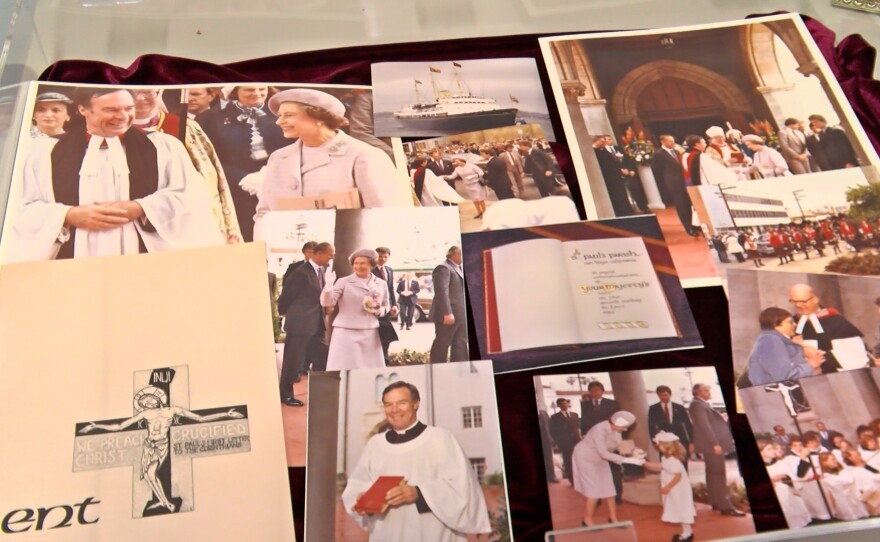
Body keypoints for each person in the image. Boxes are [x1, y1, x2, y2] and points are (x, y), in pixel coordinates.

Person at [5, 88, 223, 263]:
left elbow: (192, 197)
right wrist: (67, 215)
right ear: (83, 110)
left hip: (145, 261)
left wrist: (142, 208)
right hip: (71, 259)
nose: (122, 117)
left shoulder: (165, 147)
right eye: (111, 110)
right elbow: (19, 207)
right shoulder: (43, 154)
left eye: (128, 108)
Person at [341, 381, 491, 541]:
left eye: (401, 403)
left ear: (416, 404)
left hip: (432, 533)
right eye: (388, 404)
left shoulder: (439, 438)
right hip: (386, 532)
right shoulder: (375, 444)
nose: (394, 410)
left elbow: (463, 488)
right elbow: (356, 485)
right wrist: (363, 498)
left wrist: (419, 493)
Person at [255, 88, 411, 234]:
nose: (279, 122)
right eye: (280, 116)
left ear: (318, 117)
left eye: (288, 115)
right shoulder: (278, 158)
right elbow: (263, 214)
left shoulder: (364, 156)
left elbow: (387, 217)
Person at [79, 385, 244, 512]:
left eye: (149, 401)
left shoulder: (172, 411)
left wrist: (226, 415)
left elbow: (200, 419)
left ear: (157, 400)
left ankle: (166, 503)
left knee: (151, 473)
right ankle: (163, 501)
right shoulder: (145, 415)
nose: (147, 404)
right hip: (148, 445)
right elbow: (119, 426)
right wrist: (95, 426)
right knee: (151, 477)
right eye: (144, 403)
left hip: (161, 445)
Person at [131, 87, 242, 244]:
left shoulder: (184, 126)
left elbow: (207, 174)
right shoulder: (112, 130)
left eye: (148, 92)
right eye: (133, 93)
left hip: (185, 211)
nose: (141, 98)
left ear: (158, 93)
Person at [197, 85, 287, 242]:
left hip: (280, 183)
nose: (257, 93)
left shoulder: (282, 113)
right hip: (236, 188)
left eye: (261, 89)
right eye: (250, 90)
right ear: (235, 92)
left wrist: (268, 174)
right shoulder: (212, 119)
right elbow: (210, 158)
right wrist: (241, 177)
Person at [277, 242, 335, 406]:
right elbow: (287, 295)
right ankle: (285, 394)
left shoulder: (322, 271)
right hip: (300, 323)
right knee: (293, 361)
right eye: (329, 253)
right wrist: (285, 313)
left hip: (316, 322)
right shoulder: (301, 273)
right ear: (318, 254)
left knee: (323, 355)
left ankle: (322, 392)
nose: (331, 257)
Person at [321, 248, 390, 371]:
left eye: (362, 263)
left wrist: (380, 311)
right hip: (346, 332)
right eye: (356, 263)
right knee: (345, 368)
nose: (358, 266)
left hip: (370, 332)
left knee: (369, 370)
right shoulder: (344, 282)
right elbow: (328, 302)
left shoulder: (380, 283)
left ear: (371, 265)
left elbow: (386, 305)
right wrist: (328, 287)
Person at [572, 411, 644, 526]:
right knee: (593, 491)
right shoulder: (599, 430)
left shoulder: (616, 429)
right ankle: (587, 520)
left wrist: (633, 452)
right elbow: (604, 453)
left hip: (601, 458)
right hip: (586, 458)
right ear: (617, 423)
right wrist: (629, 460)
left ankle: (613, 518)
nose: (624, 430)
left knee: (609, 488)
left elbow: (615, 446)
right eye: (623, 428)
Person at [688, 383, 745, 516]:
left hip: (711, 445)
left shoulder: (700, 404)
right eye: (706, 390)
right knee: (719, 474)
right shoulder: (697, 405)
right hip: (712, 446)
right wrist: (715, 443)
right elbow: (704, 426)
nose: (709, 392)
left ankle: (715, 502)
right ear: (698, 392)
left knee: (713, 474)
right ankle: (726, 507)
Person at [789, 283, 866, 374]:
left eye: (803, 301)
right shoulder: (791, 323)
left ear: (815, 299)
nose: (798, 305)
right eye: (794, 301)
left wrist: (816, 354)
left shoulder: (835, 321)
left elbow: (854, 355)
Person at [747, 307, 821, 386]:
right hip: (776, 396)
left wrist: (803, 350)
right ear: (775, 325)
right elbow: (783, 376)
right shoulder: (770, 341)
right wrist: (810, 365)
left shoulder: (775, 340)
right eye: (790, 322)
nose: (795, 325)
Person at [645, 432, 696, 542]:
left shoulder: (673, 460)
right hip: (675, 489)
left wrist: (667, 487)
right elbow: (662, 466)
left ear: (665, 446)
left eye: (659, 446)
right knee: (679, 508)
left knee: (682, 509)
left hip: (678, 489)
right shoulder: (666, 458)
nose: (658, 448)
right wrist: (646, 464)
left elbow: (677, 476)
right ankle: (687, 531)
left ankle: (687, 533)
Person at [758, 439, 812, 529]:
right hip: (778, 497)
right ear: (761, 452)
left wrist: (785, 476)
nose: (773, 451)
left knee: (799, 517)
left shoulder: (781, 463)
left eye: (773, 448)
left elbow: (798, 475)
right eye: (769, 449)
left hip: (790, 495)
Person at [652, 135, 698, 236]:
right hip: (673, 184)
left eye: (673, 141)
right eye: (670, 141)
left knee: (690, 204)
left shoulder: (677, 152)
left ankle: (695, 225)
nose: (673, 143)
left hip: (684, 181)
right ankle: (688, 228)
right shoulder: (658, 154)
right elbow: (657, 171)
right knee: (682, 206)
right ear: (663, 142)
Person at [429, 246, 468, 363]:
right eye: (461, 253)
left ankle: (459, 370)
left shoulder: (459, 268)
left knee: (460, 344)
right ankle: (437, 369)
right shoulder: (443, 268)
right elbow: (441, 292)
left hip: (461, 315)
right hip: (448, 315)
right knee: (442, 344)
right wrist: (447, 312)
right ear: (453, 254)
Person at [648, 385, 694, 465]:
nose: (663, 397)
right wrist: (655, 442)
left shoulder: (680, 408)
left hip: (681, 442)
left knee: (683, 465)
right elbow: (651, 426)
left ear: (670, 394)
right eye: (660, 395)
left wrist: (692, 442)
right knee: (667, 465)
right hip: (664, 443)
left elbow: (688, 425)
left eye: (665, 395)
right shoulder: (653, 409)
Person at [592, 135, 635, 216]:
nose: (604, 143)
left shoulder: (604, 151)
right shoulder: (594, 152)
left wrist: (621, 170)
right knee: (616, 197)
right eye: (602, 141)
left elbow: (613, 163)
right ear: (596, 141)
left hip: (616, 176)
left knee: (622, 195)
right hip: (609, 178)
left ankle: (627, 212)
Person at [372, 247, 400, 363]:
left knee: (386, 332)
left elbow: (391, 289)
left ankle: (384, 356)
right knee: (376, 333)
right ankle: (378, 357)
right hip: (375, 306)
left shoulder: (389, 270)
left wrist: (394, 305)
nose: (383, 259)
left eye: (385, 256)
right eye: (380, 256)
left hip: (387, 306)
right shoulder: (371, 270)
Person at [549, 398, 581, 486]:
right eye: (562, 404)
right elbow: (553, 431)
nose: (565, 405)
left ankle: (580, 478)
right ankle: (572, 480)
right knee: (568, 461)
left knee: (579, 460)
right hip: (565, 443)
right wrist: (558, 443)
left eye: (566, 403)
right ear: (559, 405)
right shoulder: (555, 417)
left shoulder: (574, 415)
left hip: (576, 442)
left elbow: (577, 427)